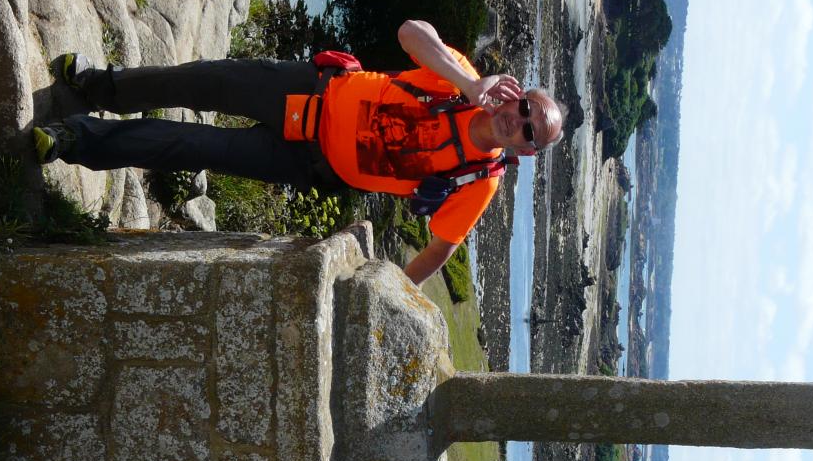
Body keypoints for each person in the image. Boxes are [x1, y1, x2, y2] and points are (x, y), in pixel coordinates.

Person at [34, 20, 565, 285]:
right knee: (197, 82)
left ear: (530, 152)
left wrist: (386, 292)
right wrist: (468, 86)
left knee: (189, 145)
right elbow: (411, 33)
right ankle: (96, 84)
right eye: (524, 109)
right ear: (515, 94)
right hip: (307, 88)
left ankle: (73, 140)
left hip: (305, 161)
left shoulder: (479, 182)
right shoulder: (461, 80)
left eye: (529, 132)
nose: (516, 122)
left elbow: (439, 251)